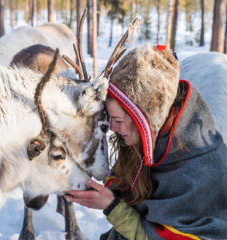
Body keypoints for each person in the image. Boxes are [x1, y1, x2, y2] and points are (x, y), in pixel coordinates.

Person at [65, 44, 227, 240]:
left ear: (147, 116)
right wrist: (105, 192)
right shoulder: (153, 142)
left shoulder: (199, 172)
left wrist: (112, 206)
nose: (113, 128)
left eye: (117, 120)